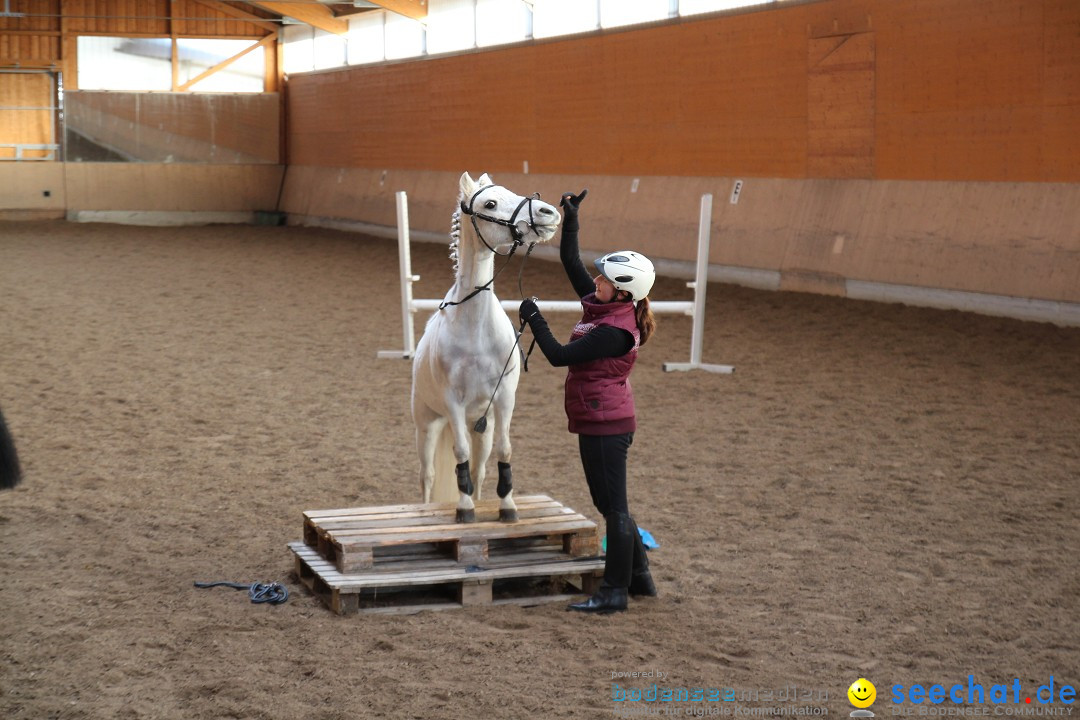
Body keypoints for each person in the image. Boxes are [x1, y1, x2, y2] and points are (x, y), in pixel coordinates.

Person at [518, 189, 658, 615]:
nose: (594, 282)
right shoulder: (606, 309)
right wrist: (571, 219)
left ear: (621, 293)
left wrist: (534, 317)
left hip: (606, 425)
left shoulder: (611, 332)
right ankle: (640, 579)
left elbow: (559, 356)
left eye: (604, 281)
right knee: (611, 504)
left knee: (613, 507)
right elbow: (571, 263)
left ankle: (615, 592)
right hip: (603, 419)